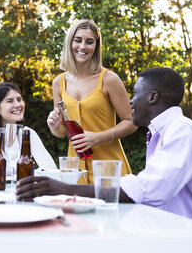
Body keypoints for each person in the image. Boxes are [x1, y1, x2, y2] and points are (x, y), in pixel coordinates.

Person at [17, 67, 192, 227]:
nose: (131, 101)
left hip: (190, 235)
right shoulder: (166, 130)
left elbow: (147, 190)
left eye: (135, 94)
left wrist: (65, 189)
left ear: (152, 97)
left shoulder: (181, 131)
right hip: (167, 225)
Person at [47, 19, 137, 183]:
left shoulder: (109, 79)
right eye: (78, 40)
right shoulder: (58, 83)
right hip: (75, 173)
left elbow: (131, 122)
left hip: (109, 169)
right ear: (70, 43)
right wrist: (54, 125)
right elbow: (61, 132)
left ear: (96, 47)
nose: (82, 47)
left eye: (89, 42)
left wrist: (99, 137)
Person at [0, 82, 56, 174]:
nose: (18, 105)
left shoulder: (27, 133)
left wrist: (27, 175)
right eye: (10, 101)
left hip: (21, 188)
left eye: (19, 99)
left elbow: (51, 170)